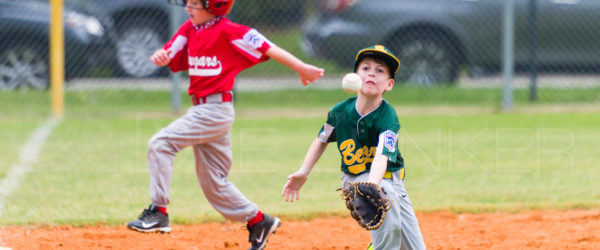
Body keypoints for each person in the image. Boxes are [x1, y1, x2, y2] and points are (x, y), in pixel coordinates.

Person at [126, 0, 324, 249]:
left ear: (215, 5)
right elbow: (172, 52)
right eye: (187, 3)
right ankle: (258, 220)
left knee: (160, 142)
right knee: (213, 181)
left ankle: (158, 211)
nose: (188, 7)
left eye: (195, 4)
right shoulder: (189, 29)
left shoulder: (229, 30)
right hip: (202, 109)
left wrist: (301, 68)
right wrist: (162, 57)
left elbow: (267, 46)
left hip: (215, 110)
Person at [282, 45, 426, 250]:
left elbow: (382, 157)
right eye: (366, 68)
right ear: (355, 76)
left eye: (380, 71)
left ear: (389, 84)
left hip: (388, 177)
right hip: (355, 178)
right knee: (389, 220)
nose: (372, 74)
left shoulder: (388, 116)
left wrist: (373, 186)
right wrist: (303, 172)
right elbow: (322, 139)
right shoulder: (339, 112)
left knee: (416, 247)